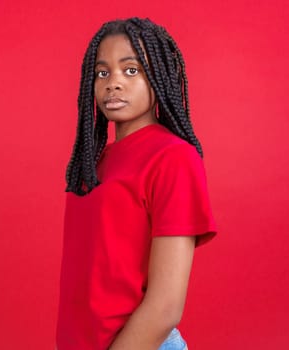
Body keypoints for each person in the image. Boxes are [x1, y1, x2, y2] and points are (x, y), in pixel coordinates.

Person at [56, 18, 217, 350]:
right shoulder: (94, 161)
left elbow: (166, 305)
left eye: (131, 70)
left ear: (157, 77)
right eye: (103, 73)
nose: (113, 82)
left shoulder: (172, 158)